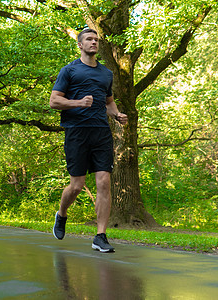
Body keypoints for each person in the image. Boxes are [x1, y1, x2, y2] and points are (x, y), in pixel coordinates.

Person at [49, 28, 128, 252]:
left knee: (104, 182)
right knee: (77, 185)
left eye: (96, 39)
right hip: (76, 131)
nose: (94, 42)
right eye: (89, 40)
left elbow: (108, 102)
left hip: (101, 132)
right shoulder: (69, 70)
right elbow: (54, 101)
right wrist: (77, 103)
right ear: (80, 45)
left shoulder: (106, 74)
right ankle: (62, 214)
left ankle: (100, 236)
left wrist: (117, 114)